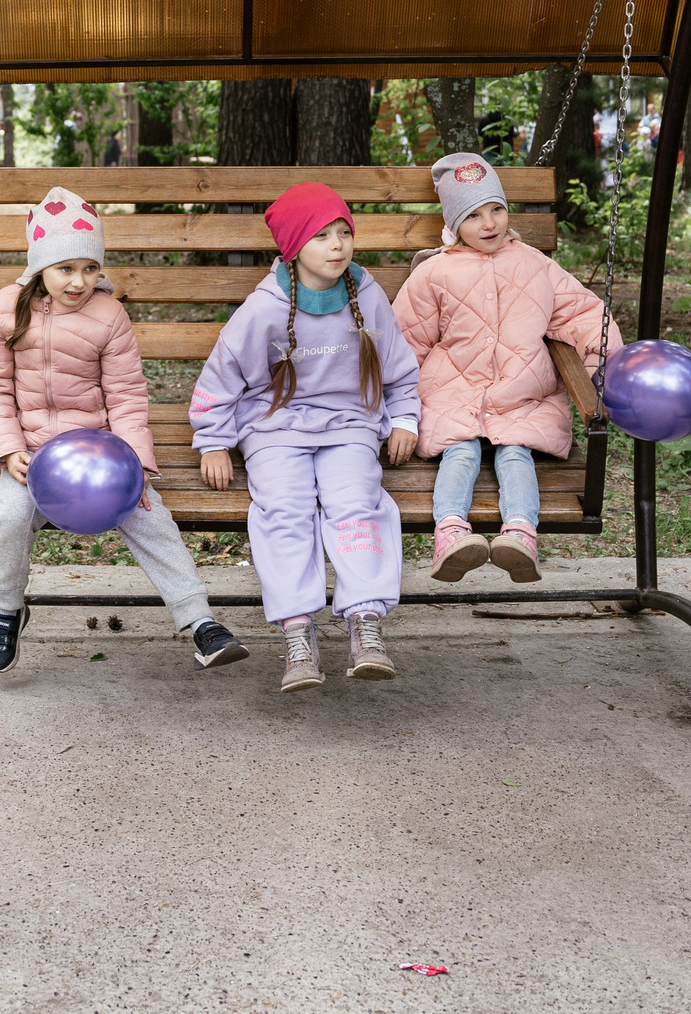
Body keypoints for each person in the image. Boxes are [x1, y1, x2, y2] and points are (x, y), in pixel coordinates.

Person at [0, 186, 248, 674]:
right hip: (32, 455)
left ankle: (201, 622)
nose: (79, 281)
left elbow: (126, 395)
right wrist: (8, 449)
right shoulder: (7, 307)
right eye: (65, 269)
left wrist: (136, 463)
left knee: (149, 517)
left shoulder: (109, 314)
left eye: (90, 268)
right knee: (10, 519)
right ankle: (7, 610)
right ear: (40, 266)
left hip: (101, 455)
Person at [191, 182, 420, 693]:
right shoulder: (265, 308)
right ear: (293, 248)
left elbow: (399, 371)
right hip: (275, 429)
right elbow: (221, 379)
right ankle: (298, 631)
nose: (337, 246)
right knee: (285, 508)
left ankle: (365, 622)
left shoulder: (368, 295)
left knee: (355, 501)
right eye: (321, 236)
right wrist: (212, 440)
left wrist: (404, 419)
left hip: (349, 425)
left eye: (344, 233)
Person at [397, 153, 618, 584]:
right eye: (474, 214)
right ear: (453, 223)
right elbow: (405, 342)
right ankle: (451, 535)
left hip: (523, 395)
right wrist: (394, 409)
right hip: (452, 396)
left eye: (496, 208)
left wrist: (603, 366)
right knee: (458, 452)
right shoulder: (433, 273)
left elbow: (583, 313)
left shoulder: (534, 264)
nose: (489, 223)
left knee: (515, 453)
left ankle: (520, 534)